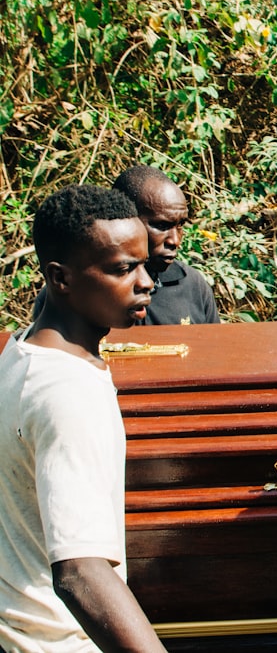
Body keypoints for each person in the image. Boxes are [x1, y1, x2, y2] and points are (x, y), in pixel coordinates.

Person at [0, 184, 167, 652]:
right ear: (61, 278)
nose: (146, 281)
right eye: (123, 268)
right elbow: (79, 572)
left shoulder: (24, 348)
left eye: (144, 263)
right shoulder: (67, 392)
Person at [34, 165, 220, 325]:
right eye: (161, 226)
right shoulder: (81, 292)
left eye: (180, 225)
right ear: (127, 221)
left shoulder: (192, 285)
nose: (175, 240)